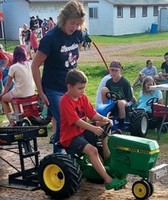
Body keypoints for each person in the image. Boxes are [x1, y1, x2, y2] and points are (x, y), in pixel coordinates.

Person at [31, 0, 86, 153]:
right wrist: (41, 93)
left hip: (70, 87)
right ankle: (63, 159)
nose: (74, 27)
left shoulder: (78, 34)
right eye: (72, 23)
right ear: (63, 19)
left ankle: (60, 158)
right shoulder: (50, 38)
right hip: (53, 88)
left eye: (78, 24)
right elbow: (35, 65)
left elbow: (74, 60)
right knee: (66, 121)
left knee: (76, 120)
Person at [60, 69, 127, 190]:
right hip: (70, 138)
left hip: (81, 132)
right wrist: (93, 128)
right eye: (80, 88)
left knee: (105, 130)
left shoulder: (82, 98)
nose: (83, 91)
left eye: (84, 88)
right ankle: (108, 180)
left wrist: (105, 119)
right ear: (69, 87)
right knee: (92, 150)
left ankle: (108, 163)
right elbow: (76, 121)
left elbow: (93, 114)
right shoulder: (65, 101)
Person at [0, 46, 35, 126]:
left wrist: (3, 93)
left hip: (20, 92)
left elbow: (8, 84)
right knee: (12, 98)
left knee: (3, 99)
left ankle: (12, 121)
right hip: (31, 91)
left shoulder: (14, 67)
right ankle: (16, 117)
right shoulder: (30, 63)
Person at [101, 61, 133, 130]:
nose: (114, 72)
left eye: (116, 70)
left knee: (120, 103)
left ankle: (121, 125)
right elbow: (108, 94)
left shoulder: (125, 82)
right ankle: (104, 113)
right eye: (112, 70)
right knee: (104, 89)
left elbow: (129, 98)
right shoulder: (109, 82)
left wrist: (119, 101)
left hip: (124, 101)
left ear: (120, 70)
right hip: (112, 101)